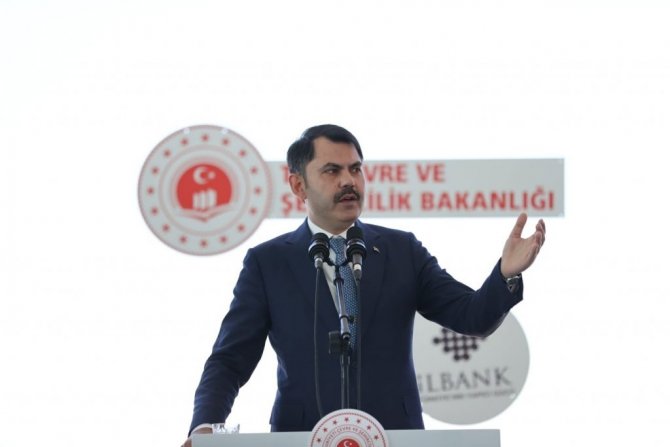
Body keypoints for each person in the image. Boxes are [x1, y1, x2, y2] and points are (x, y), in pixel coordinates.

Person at [181, 124, 546, 446]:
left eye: (355, 169)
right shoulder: (268, 263)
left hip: (395, 436)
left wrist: (506, 274)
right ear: (298, 184)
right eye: (332, 170)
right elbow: (230, 359)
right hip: (302, 436)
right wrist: (204, 427)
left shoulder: (402, 250)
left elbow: (472, 316)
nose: (348, 181)